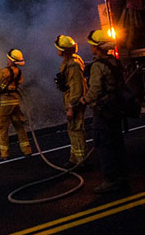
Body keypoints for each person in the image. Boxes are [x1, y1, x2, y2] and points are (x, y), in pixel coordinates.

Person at [80, 30, 129, 193]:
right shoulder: (114, 62)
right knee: (117, 142)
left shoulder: (98, 66)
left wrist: (84, 100)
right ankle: (122, 175)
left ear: (97, 47)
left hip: (103, 110)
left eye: (92, 45)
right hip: (116, 108)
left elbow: (95, 89)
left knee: (103, 144)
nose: (91, 48)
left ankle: (111, 179)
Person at [0, 49, 32, 160]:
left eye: (8, 59)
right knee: (19, 125)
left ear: (11, 61)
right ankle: (27, 150)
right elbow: (17, 83)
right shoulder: (18, 72)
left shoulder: (3, 71)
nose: (7, 60)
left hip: (5, 102)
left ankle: (4, 154)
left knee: (1, 126)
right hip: (15, 101)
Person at [55, 34, 87, 167]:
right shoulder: (69, 61)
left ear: (64, 50)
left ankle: (82, 162)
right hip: (71, 99)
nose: (56, 50)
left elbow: (76, 88)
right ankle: (74, 159)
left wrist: (71, 107)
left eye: (58, 48)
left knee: (76, 129)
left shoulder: (73, 64)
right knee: (72, 128)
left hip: (74, 101)